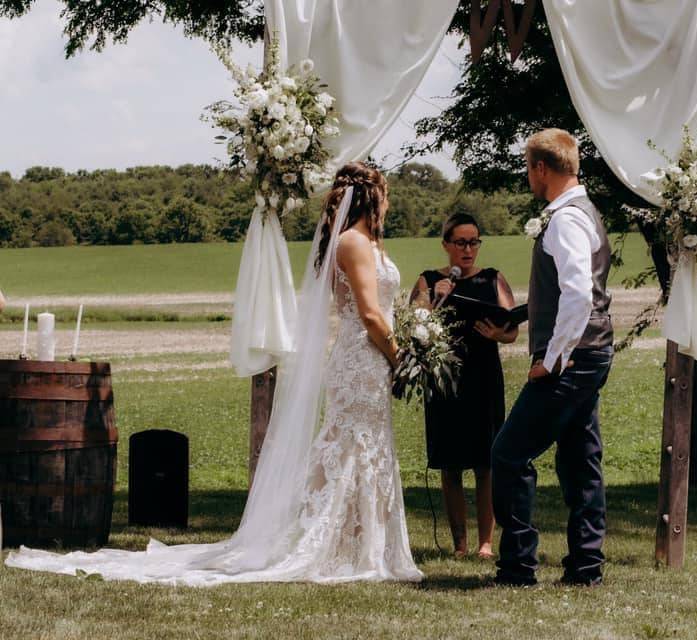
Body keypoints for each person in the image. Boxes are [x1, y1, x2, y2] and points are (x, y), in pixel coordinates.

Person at [5, 162, 423, 585]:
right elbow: (370, 313)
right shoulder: (352, 242)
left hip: (370, 360)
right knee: (352, 446)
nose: (388, 202)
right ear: (374, 195)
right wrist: (400, 355)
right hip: (363, 358)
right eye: (386, 194)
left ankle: (357, 544)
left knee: (363, 446)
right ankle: (334, 545)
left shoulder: (367, 242)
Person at [491, 128, 614, 587]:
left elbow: (579, 293)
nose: (528, 177)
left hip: (574, 359)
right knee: (581, 461)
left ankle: (518, 565)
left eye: (528, 168)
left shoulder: (564, 219)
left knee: (508, 454)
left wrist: (554, 358)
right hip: (593, 352)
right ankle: (585, 567)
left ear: (541, 168)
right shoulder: (582, 211)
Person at [411, 213, 517, 559]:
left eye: (474, 242)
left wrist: (498, 333)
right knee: (450, 462)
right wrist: (435, 300)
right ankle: (460, 543)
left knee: (486, 462)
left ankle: (486, 542)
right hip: (444, 379)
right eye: (461, 242)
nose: (468, 249)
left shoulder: (493, 279)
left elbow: (512, 329)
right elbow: (414, 326)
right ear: (446, 245)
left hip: (484, 377)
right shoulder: (428, 281)